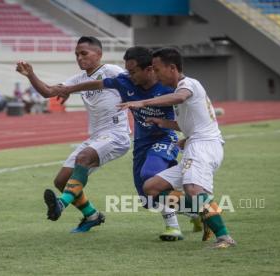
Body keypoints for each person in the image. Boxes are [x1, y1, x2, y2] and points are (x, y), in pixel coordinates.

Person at [57, 46, 201, 241]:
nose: (128, 75)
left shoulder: (169, 87)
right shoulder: (125, 82)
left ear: (149, 69)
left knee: (151, 175)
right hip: (141, 142)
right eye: (127, 70)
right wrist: (68, 89)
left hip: (165, 138)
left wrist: (188, 135)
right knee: (147, 199)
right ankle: (196, 211)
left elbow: (187, 112)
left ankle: (173, 227)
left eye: (133, 71)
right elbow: (95, 84)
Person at [117, 47, 236, 248]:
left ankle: (224, 237)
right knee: (151, 188)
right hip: (194, 144)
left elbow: (180, 97)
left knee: (193, 189)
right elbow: (188, 122)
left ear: (172, 68)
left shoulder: (187, 84)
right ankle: (207, 211)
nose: (153, 73)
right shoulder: (180, 90)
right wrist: (164, 123)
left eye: (156, 68)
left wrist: (143, 102)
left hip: (203, 146)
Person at [15, 36, 131, 233]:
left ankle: (61, 204)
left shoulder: (112, 71)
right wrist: (30, 75)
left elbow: (133, 85)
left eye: (84, 53)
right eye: (77, 54)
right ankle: (92, 215)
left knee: (83, 158)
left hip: (116, 135)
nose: (79, 58)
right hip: (96, 138)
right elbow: (48, 92)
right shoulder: (77, 79)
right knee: (61, 181)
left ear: (99, 54)